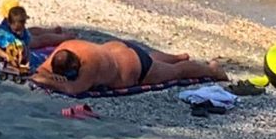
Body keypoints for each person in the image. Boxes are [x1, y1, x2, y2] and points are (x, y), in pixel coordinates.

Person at [30, 36, 224, 96]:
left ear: (78, 63)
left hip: (137, 69)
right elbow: (41, 71)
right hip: (119, 50)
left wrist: (51, 80)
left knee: (176, 72)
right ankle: (178, 56)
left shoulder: (89, 65)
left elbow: (73, 89)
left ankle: (212, 70)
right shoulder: (67, 46)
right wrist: (47, 75)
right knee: (154, 61)